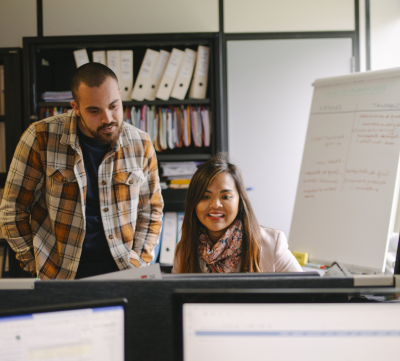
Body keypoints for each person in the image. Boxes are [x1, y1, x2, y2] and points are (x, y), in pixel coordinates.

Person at [0, 63, 163, 279]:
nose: (107, 119)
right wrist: (35, 264)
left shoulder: (140, 143)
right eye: (94, 110)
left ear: (120, 97)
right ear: (75, 107)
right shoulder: (40, 137)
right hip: (60, 276)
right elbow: (12, 210)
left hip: (124, 272)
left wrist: (139, 262)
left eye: (113, 105)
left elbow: (151, 211)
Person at [172, 153, 302, 273]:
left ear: (240, 200)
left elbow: (304, 291)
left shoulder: (270, 244)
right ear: (193, 203)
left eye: (225, 197)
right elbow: (174, 296)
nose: (216, 205)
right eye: (205, 197)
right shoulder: (184, 250)